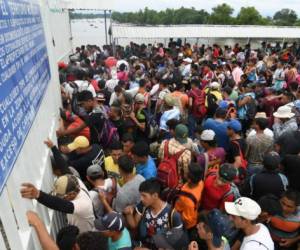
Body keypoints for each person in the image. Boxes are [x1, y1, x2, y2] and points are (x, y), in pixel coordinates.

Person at [21, 175, 95, 233]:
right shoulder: (75, 182)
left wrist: (38, 194)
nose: (60, 199)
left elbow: (62, 205)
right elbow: (65, 169)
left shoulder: (83, 204)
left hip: (84, 238)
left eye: (62, 197)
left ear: (72, 194)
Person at [123, 178, 183, 248]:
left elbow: (176, 241)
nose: (141, 199)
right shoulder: (143, 206)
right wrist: (128, 214)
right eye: (141, 195)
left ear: (155, 196)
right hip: (144, 244)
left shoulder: (172, 214)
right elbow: (134, 225)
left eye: (144, 196)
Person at [174, 163, 204, 232]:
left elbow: (186, 220)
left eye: (186, 172)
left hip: (187, 224)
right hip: (193, 211)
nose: (184, 172)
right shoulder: (200, 183)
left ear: (189, 180)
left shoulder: (188, 201)